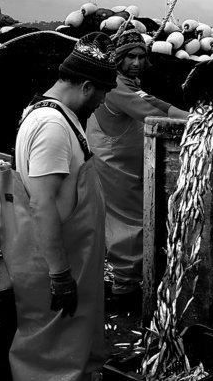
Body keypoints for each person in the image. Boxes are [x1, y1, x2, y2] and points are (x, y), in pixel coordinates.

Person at [0, 32, 117, 381]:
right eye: (102, 93)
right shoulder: (51, 126)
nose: (102, 102)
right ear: (86, 86)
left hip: (70, 250)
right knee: (51, 353)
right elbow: (42, 203)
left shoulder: (57, 115)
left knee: (69, 345)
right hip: (56, 256)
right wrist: (60, 274)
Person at [86, 27, 189, 311]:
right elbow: (151, 114)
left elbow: (157, 103)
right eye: (129, 57)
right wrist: (192, 125)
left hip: (128, 162)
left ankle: (128, 278)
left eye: (140, 57)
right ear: (118, 59)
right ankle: (124, 288)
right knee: (127, 222)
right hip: (113, 163)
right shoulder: (117, 87)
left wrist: (192, 117)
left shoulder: (131, 84)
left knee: (133, 218)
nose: (135, 62)